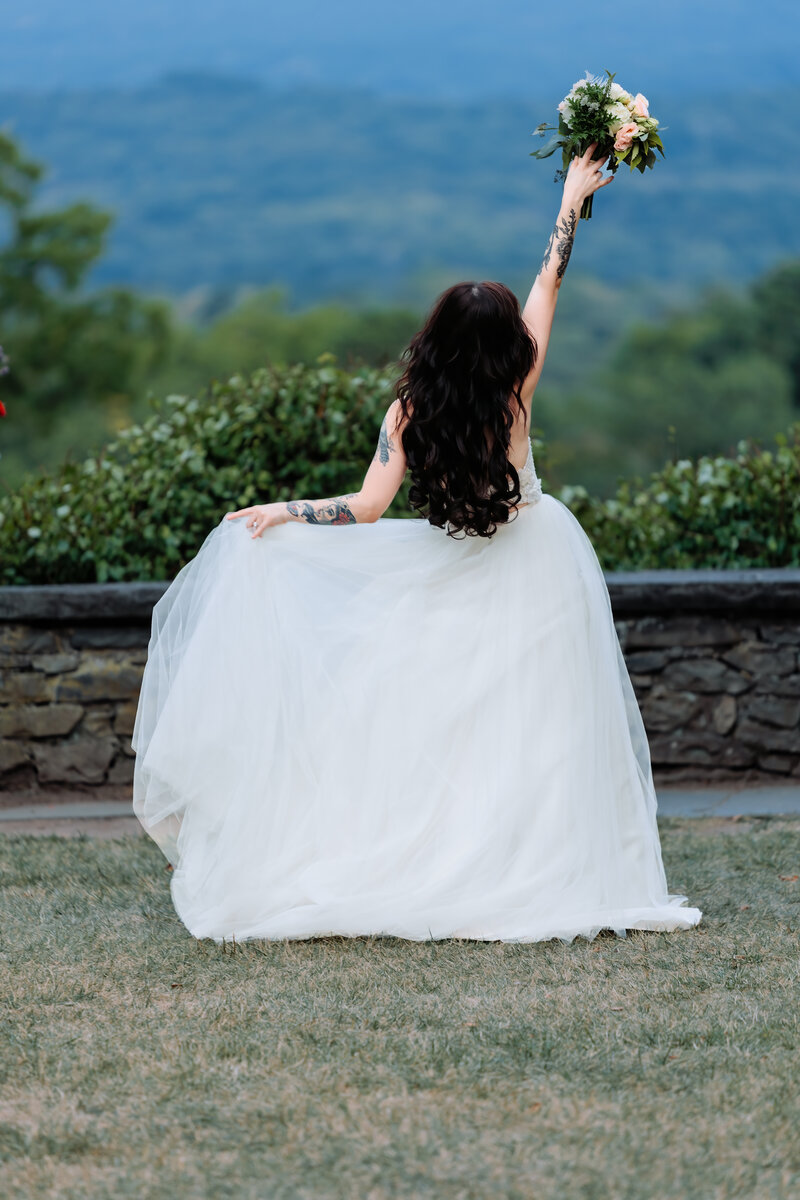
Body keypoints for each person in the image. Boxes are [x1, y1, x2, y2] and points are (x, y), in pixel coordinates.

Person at [132, 143, 702, 943]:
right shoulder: (519, 384)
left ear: (434, 338)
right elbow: (550, 280)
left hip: (449, 566)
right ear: (503, 345)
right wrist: (572, 199)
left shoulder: (408, 414)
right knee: (540, 726)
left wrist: (284, 511)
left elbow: (366, 507)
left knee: (440, 724)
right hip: (539, 559)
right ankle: (527, 862)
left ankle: (451, 857)